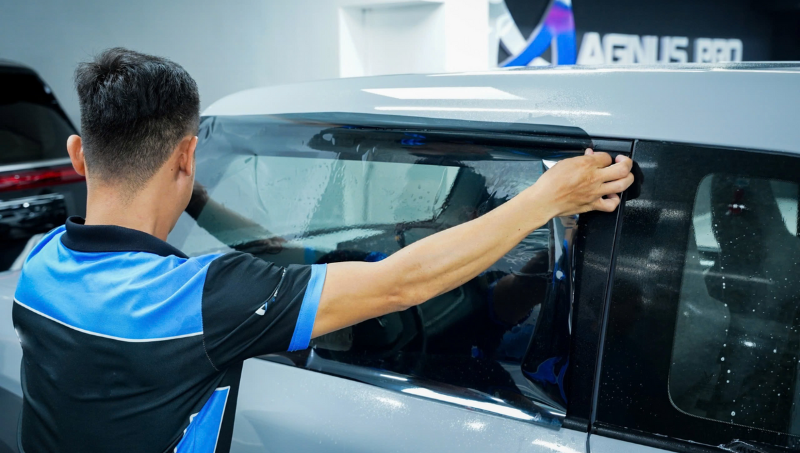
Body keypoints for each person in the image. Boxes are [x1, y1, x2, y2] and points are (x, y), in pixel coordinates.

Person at [12, 48, 634, 453]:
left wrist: (188, 193)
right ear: (187, 155)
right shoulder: (202, 300)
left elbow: (277, 255)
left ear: (78, 154)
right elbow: (399, 285)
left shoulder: (39, 266)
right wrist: (547, 198)